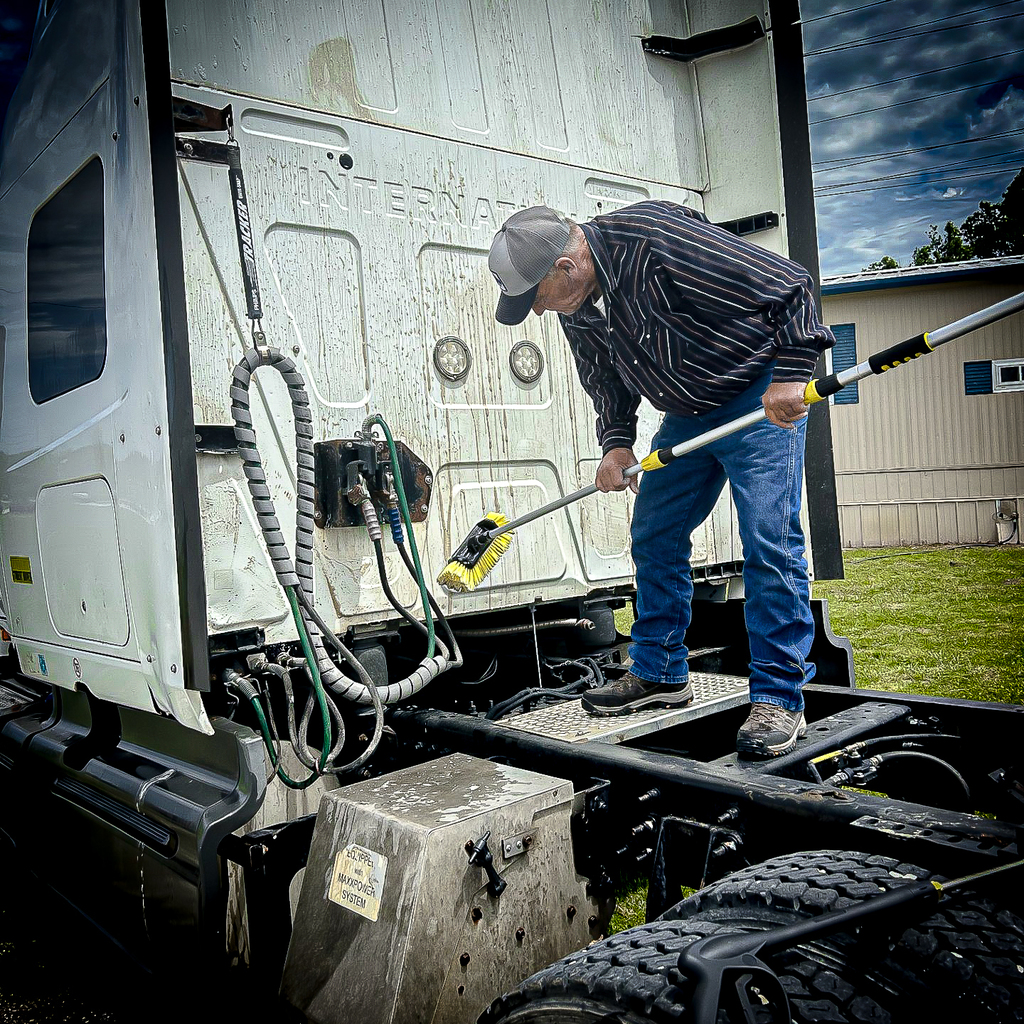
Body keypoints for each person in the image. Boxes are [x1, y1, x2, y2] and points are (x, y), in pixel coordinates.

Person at [487, 202, 834, 758]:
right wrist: (616, 440)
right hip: (688, 414)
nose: (538, 312)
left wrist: (793, 373)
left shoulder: (654, 239)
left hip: (757, 399)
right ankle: (661, 674)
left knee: (770, 542)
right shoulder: (580, 302)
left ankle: (779, 699)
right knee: (654, 534)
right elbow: (603, 374)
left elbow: (789, 286)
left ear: (565, 268)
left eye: (537, 299)